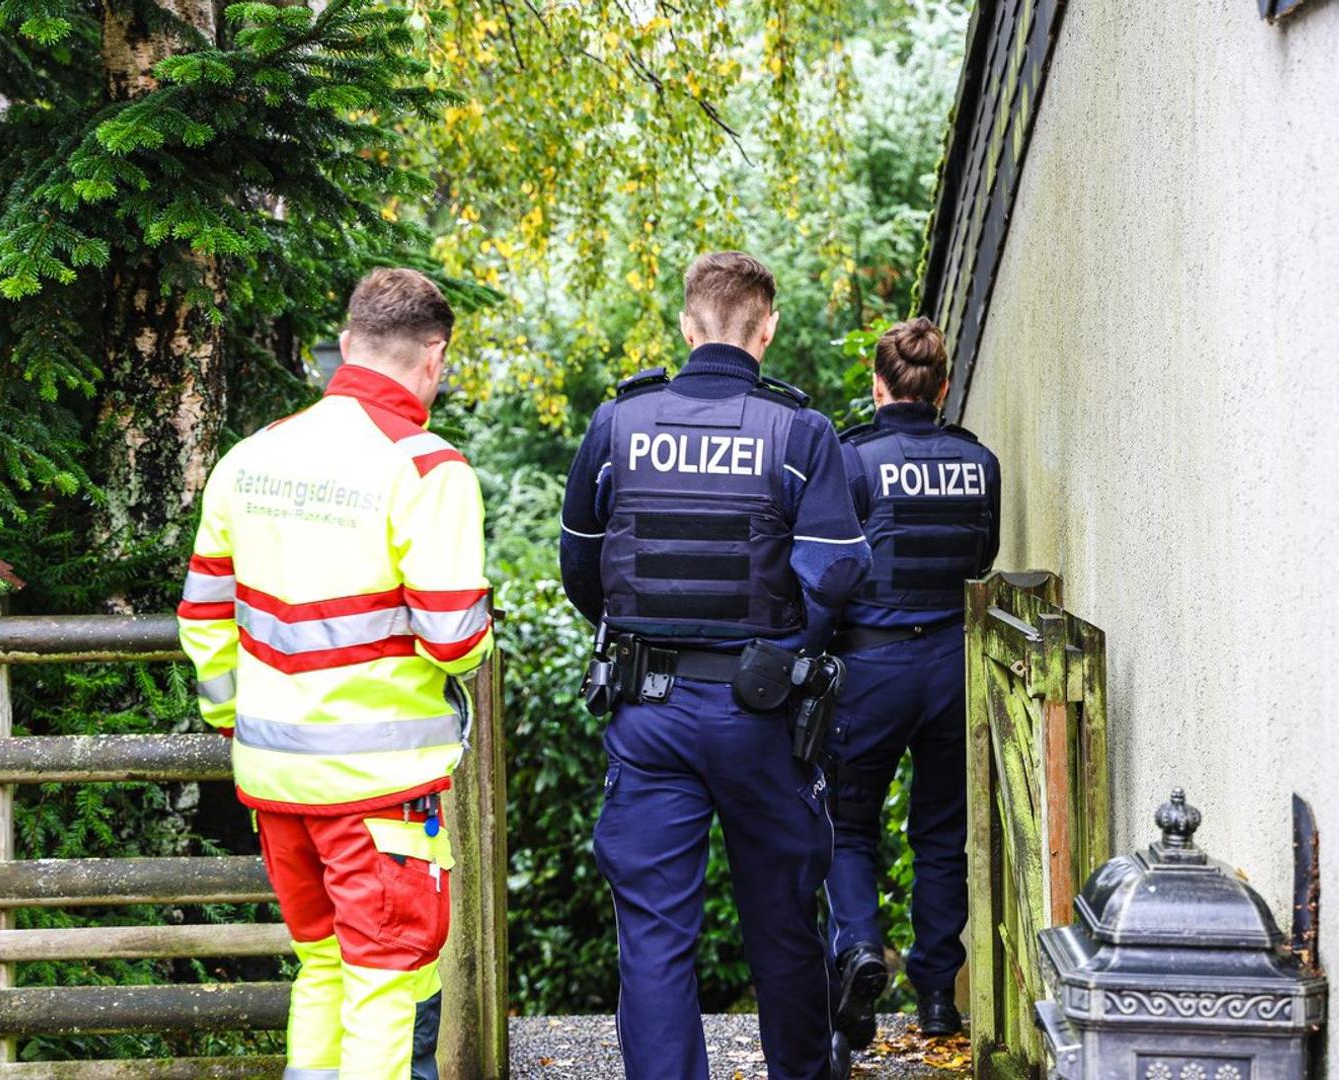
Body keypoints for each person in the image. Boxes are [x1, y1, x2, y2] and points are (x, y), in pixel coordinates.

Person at [560, 251, 871, 1080]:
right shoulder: (800, 434)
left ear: (688, 324)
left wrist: (647, 636)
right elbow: (839, 570)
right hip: (758, 717)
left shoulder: (618, 424)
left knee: (655, 936)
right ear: (766, 328)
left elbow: (581, 569)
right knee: (782, 924)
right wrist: (776, 650)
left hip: (648, 711)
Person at [177, 269, 494, 1080]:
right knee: (385, 981)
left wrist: (238, 721)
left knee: (322, 967)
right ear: (436, 357)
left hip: (275, 774)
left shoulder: (252, 457)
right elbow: (456, 639)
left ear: (347, 345)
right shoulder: (427, 470)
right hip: (378, 787)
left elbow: (203, 618)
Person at [821, 318, 1000, 1062]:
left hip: (872, 668)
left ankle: (861, 950)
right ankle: (935, 996)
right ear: (944, 387)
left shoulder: (853, 459)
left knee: (848, 826)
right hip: (953, 668)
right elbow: (983, 555)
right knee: (939, 834)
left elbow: (831, 565)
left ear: (878, 383)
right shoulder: (977, 462)